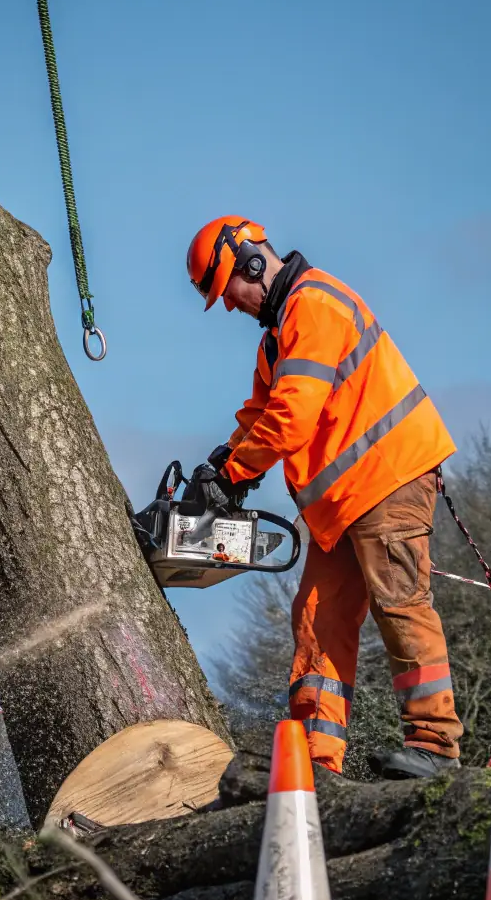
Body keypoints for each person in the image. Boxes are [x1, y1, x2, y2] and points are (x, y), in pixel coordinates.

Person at [186, 215, 463, 780]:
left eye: (228, 293)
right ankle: (317, 761)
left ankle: (436, 744)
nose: (232, 307)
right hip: (343, 502)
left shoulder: (314, 306)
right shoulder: (279, 333)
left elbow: (291, 416)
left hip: (386, 477)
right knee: (317, 618)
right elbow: (261, 412)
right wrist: (222, 462)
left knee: (399, 602)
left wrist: (236, 475)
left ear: (251, 265)